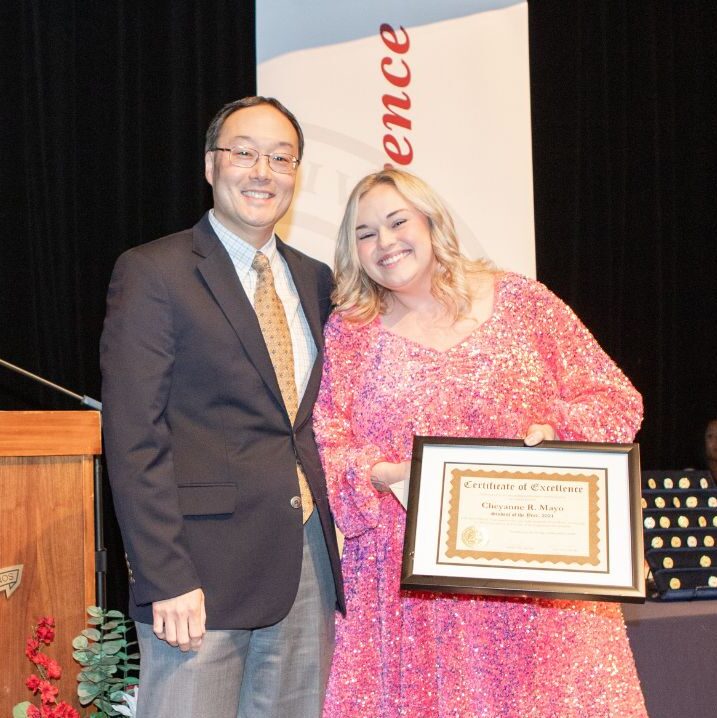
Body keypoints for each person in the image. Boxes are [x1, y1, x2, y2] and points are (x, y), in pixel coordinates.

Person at [314, 168, 647, 717]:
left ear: (431, 221)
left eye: (398, 221)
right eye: (364, 233)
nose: (385, 242)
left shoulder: (522, 302)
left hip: (538, 579)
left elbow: (614, 399)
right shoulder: (351, 331)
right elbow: (325, 443)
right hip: (406, 594)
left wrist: (558, 435)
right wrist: (381, 473)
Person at [100, 96, 343, 718]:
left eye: (281, 158)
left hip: (305, 560)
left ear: (296, 174)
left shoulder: (317, 279)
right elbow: (134, 436)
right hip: (198, 575)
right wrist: (164, 576)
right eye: (244, 153)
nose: (263, 170)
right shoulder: (154, 271)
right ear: (211, 165)